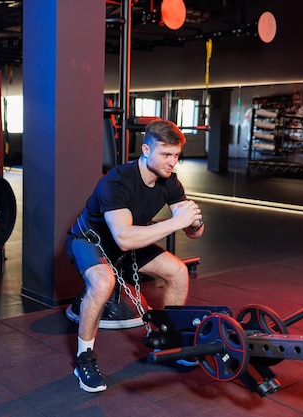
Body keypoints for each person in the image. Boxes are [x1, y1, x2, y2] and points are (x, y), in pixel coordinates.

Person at [65, 120, 204, 393]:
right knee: (103, 282)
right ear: (145, 149)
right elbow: (124, 238)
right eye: (165, 154)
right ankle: (84, 359)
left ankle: (168, 337)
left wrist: (195, 222)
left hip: (128, 242)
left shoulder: (170, 182)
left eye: (176, 155)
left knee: (177, 271)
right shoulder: (116, 182)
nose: (172, 162)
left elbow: (193, 234)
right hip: (91, 241)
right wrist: (177, 222)